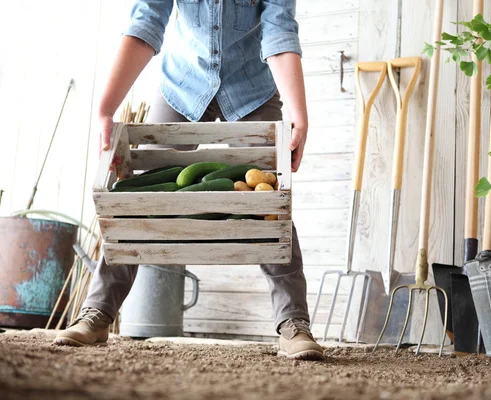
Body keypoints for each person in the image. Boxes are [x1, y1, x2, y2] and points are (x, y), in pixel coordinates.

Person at [53, 0, 324, 361]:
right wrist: (105, 109)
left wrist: (299, 117)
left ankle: (294, 323)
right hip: (182, 83)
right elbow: (147, 20)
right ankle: (98, 312)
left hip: (251, 89)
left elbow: (279, 31)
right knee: (141, 196)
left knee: (270, 196)